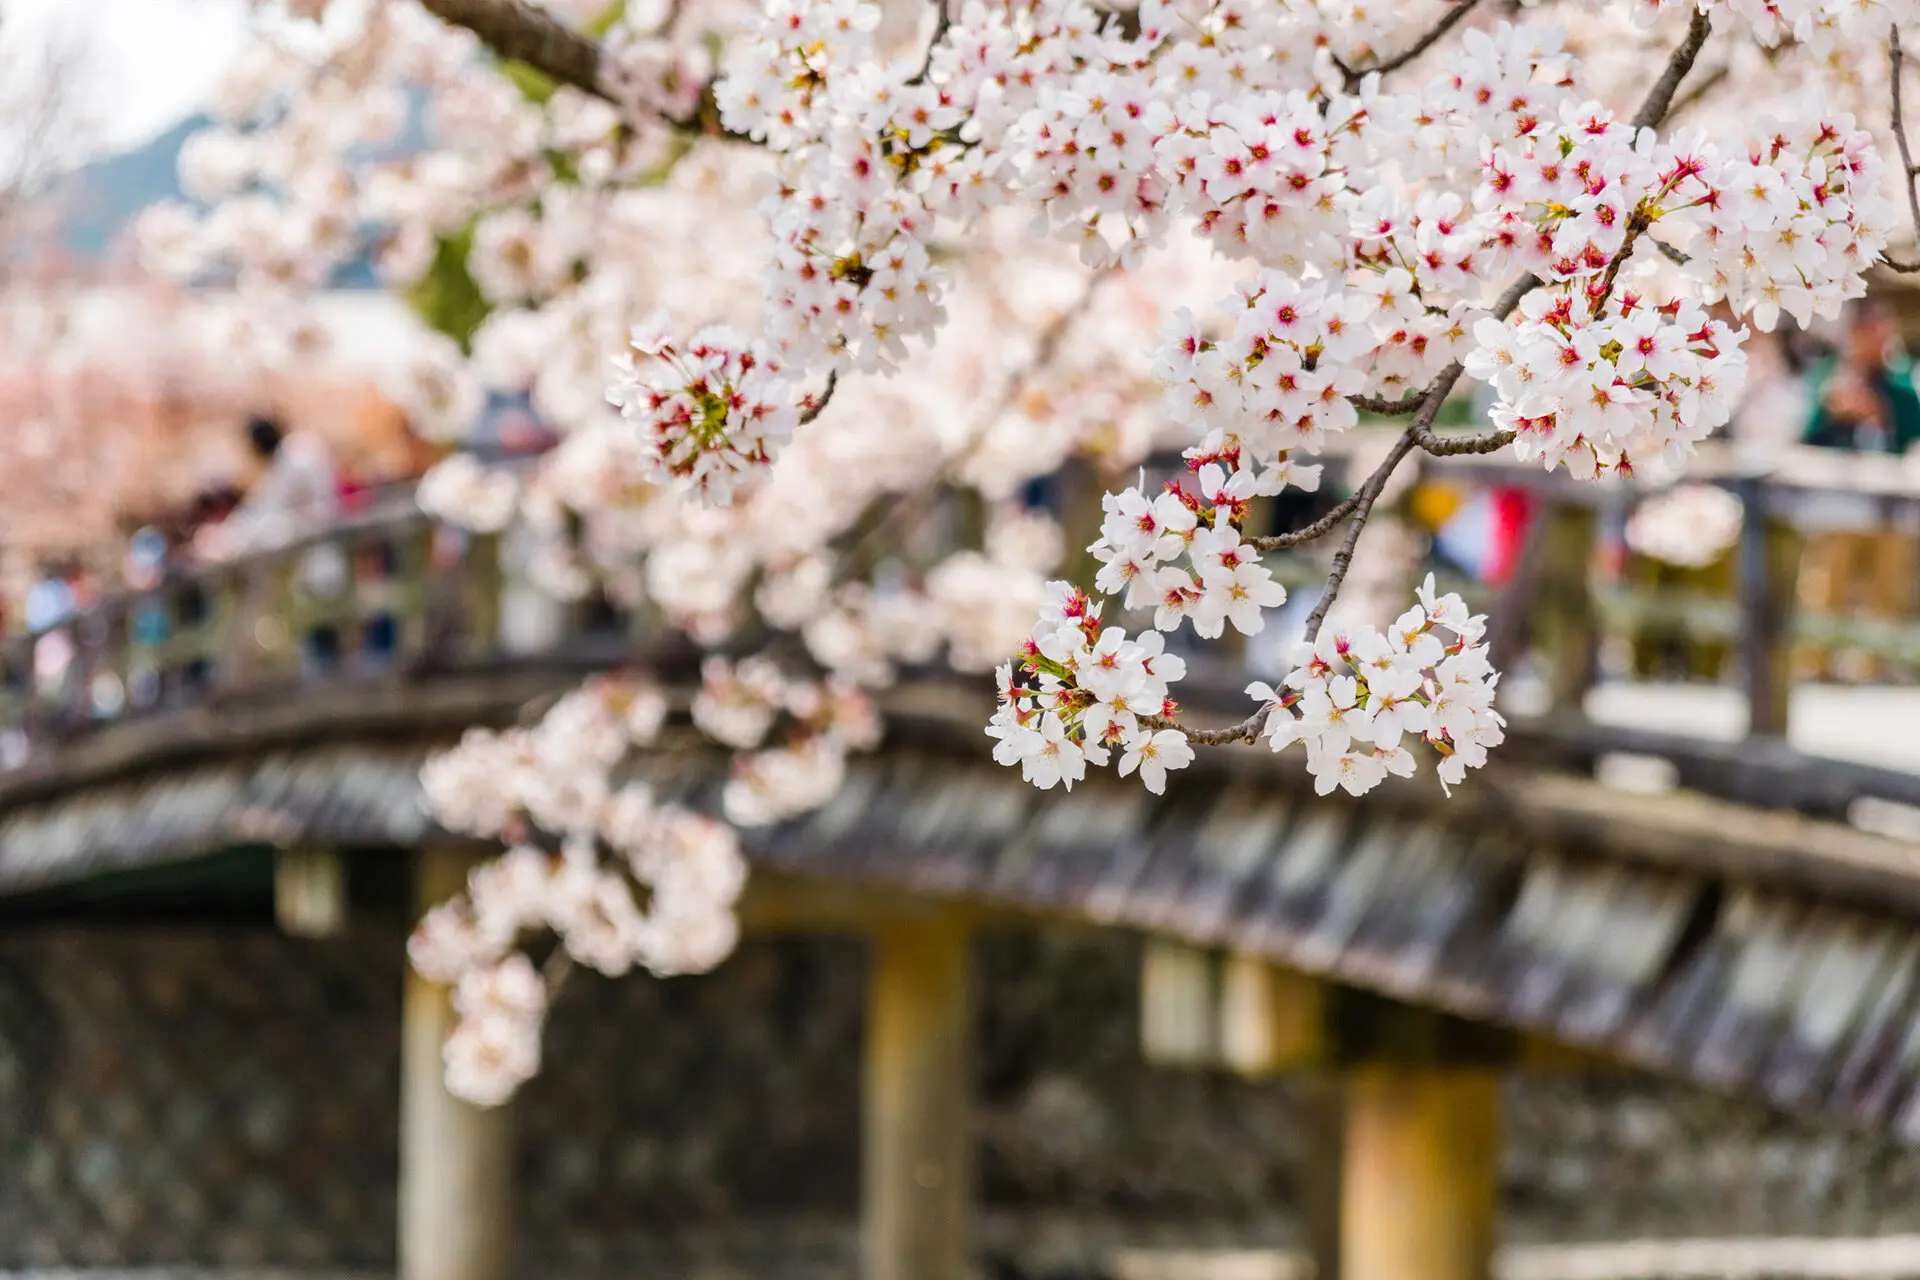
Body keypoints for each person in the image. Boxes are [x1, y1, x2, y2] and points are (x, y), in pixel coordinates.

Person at [1796, 300, 1920, 679]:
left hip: (1891, 500)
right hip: (1837, 496)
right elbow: (1806, 436)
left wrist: (1881, 414)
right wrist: (1834, 411)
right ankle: (1816, 662)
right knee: (1827, 582)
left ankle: (1874, 663)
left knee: (1889, 583)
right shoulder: (1829, 377)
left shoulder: (1901, 383)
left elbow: (1913, 430)